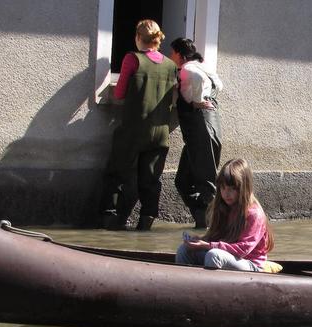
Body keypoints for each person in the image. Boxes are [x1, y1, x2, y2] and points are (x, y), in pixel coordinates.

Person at [100, 19, 177, 231]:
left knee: (117, 174)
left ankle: (110, 220)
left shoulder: (132, 59)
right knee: (151, 180)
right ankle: (146, 222)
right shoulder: (171, 66)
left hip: (133, 130)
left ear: (137, 37)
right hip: (160, 132)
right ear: (158, 39)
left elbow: (119, 92)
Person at [175, 158, 274, 272]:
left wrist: (207, 245)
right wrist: (201, 240)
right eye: (223, 188)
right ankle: (186, 287)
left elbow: (243, 249)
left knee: (214, 255)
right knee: (184, 249)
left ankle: (211, 289)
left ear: (244, 188)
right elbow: (216, 237)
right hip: (226, 256)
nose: (226, 194)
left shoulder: (254, 214)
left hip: (251, 264)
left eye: (232, 189)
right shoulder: (223, 208)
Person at [169, 37, 224, 228]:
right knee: (182, 181)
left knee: (206, 184)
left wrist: (196, 101)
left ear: (179, 54)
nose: (170, 56)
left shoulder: (188, 69)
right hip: (209, 127)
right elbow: (219, 85)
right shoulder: (203, 66)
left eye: (172, 52)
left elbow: (195, 85)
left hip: (201, 128)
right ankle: (203, 220)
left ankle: (216, 226)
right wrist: (206, 99)